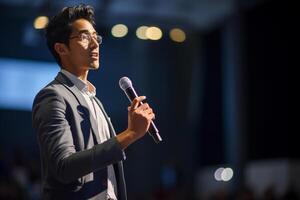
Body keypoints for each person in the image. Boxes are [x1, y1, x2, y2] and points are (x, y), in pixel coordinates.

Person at [32, 4, 155, 200]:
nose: (95, 43)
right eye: (83, 37)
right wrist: (131, 134)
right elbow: (63, 167)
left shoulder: (94, 100)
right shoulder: (53, 96)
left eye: (95, 36)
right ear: (61, 48)